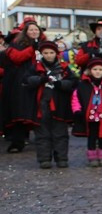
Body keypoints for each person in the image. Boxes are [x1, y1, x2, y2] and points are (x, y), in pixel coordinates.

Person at [25, 40, 76, 168]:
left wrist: (60, 84)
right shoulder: (35, 68)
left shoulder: (64, 68)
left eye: (51, 52)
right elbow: (26, 81)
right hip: (41, 105)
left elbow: (73, 82)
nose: (48, 55)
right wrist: (40, 80)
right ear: (42, 54)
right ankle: (44, 159)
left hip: (59, 105)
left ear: (56, 53)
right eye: (46, 53)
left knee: (60, 133)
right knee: (42, 134)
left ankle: (61, 158)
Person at [1, 18, 45, 152]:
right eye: (31, 29)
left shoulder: (45, 44)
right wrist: (32, 48)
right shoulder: (17, 44)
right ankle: (17, 141)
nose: (33, 31)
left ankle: (44, 141)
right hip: (22, 82)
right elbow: (17, 58)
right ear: (26, 31)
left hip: (41, 80)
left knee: (43, 110)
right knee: (20, 112)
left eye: (36, 29)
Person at [71, 58, 102, 167]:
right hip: (90, 117)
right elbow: (76, 98)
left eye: (100, 69)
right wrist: (77, 110)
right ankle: (92, 156)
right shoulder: (83, 85)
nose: (97, 72)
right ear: (90, 71)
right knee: (91, 137)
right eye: (95, 69)